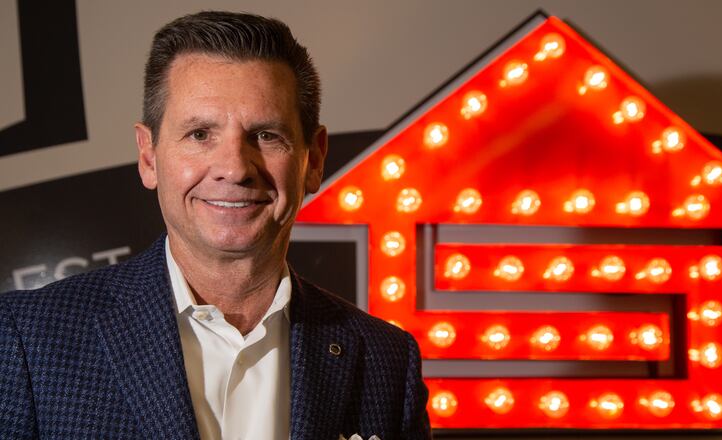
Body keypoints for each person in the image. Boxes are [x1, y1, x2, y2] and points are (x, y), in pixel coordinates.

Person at [0, 11, 431, 440]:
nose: (234, 168)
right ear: (148, 156)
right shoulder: (30, 340)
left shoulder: (387, 362)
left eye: (265, 135)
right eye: (200, 134)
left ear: (313, 160)